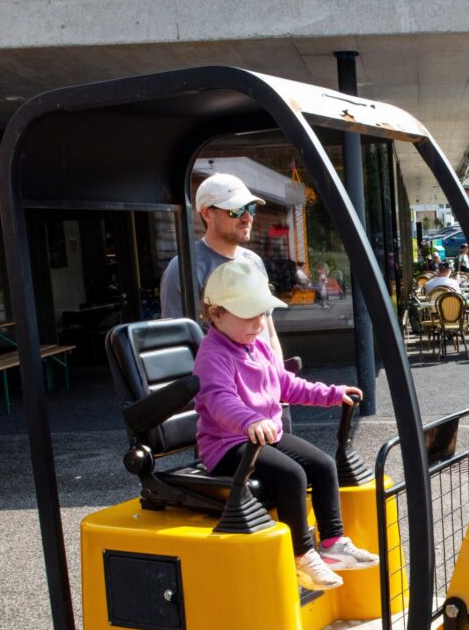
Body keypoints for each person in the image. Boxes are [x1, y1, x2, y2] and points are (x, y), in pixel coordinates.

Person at [193, 260, 379, 592]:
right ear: (215, 314)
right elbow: (219, 401)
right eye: (248, 314)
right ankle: (302, 554)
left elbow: (285, 385)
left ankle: (333, 542)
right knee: (293, 474)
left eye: (262, 314)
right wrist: (251, 419)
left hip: (261, 436)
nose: (258, 322)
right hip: (227, 445)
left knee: (322, 464)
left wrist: (332, 394)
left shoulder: (257, 346)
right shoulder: (213, 355)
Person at [159, 173, 283, 359]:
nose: (247, 217)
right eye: (236, 210)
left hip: (263, 380)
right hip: (220, 382)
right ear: (207, 213)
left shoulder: (253, 261)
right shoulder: (183, 268)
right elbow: (174, 344)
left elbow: (269, 333)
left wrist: (279, 379)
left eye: (251, 208)